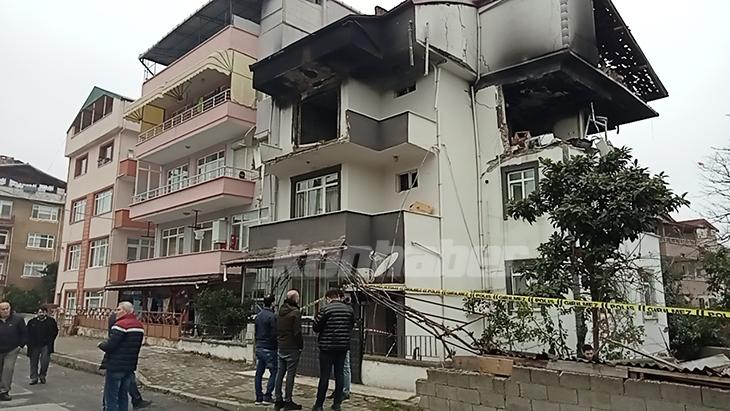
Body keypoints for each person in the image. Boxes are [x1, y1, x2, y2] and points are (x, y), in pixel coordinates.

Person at [312, 289, 355, 411]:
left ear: (328, 298)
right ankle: (337, 404)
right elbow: (351, 325)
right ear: (339, 297)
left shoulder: (325, 309)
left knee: (324, 376)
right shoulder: (349, 310)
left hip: (327, 347)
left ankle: (319, 405)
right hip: (342, 347)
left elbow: (316, 327)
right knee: (339, 375)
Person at [99, 302, 144, 411]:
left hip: (116, 365)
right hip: (129, 366)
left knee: (111, 397)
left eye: (118, 310)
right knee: (123, 395)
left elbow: (111, 345)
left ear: (126, 311)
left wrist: (101, 345)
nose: (116, 312)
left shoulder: (120, 325)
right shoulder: (139, 326)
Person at [107, 311, 152, 410]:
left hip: (119, 361)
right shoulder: (130, 323)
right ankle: (136, 399)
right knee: (118, 392)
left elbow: (111, 343)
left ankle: (136, 399)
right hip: (125, 361)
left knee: (115, 393)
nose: (117, 311)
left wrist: (103, 345)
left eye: (119, 309)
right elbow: (112, 341)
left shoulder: (121, 322)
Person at [274, 290, 304, 411]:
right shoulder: (295, 312)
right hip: (292, 346)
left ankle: (278, 399)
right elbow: (297, 332)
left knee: (280, 373)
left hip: (281, 345)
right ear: (295, 299)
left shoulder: (280, 311)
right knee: (290, 374)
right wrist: (300, 345)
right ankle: (288, 400)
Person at [0, 302, 26, 402]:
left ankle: (4, 391)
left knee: (8, 369)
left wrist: (20, 346)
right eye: (3, 309)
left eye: (7, 308)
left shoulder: (17, 320)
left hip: (12, 349)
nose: (6, 311)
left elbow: (24, 333)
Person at [254, 295, 278, 405]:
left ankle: (258, 397)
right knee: (274, 372)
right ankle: (267, 396)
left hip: (259, 346)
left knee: (259, 372)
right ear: (272, 303)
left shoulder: (258, 316)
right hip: (269, 347)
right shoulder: (272, 317)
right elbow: (274, 333)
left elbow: (256, 331)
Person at [328, 293, 352, 401]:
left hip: (342, 343)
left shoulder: (346, 309)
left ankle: (345, 391)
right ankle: (339, 390)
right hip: (341, 342)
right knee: (339, 369)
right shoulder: (347, 309)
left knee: (345, 367)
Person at [26, 307, 58, 385]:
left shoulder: (51, 321)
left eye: (43, 312)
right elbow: (27, 332)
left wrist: (51, 340)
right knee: (33, 362)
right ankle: (34, 378)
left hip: (46, 345)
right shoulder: (32, 322)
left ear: (46, 313)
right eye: (40, 312)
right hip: (34, 345)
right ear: (37, 313)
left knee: (45, 362)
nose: (41, 314)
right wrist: (28, 342)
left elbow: (55, 331)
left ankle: (42, 376)